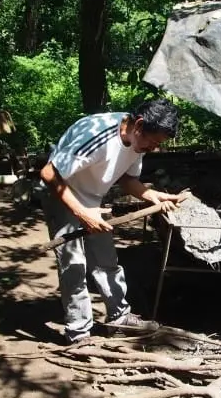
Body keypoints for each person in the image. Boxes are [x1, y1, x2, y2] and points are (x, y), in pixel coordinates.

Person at [39, 98, 187, 343]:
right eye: (153, 142)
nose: (154, 148)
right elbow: (49, 173)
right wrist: (81, 213)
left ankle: (119, 318)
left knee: (106, 259)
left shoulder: (137, 142)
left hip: (92, 198)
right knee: (74, 265)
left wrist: (153, 195)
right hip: (62, 193)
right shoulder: (97, 134)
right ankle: (79, 333)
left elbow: (128, 180)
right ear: (139, 125)